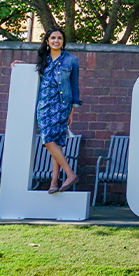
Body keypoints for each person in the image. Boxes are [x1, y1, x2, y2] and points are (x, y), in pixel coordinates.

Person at [29, 27, 81, 193]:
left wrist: (72, 111)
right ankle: (70, 174)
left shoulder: (71, 60)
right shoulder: (42, 59)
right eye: (53, 38)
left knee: (56, 141)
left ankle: (54, 182)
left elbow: (74, 86)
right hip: (44, 105)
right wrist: (17, 65)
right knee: (48, 139)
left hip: (61, 105)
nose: (56, 41)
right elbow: (31, 73)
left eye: (59, 38)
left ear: (63, 41)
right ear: (47, 41)